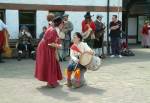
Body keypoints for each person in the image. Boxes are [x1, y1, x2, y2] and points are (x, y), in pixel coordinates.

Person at [35, 16, 64, 88]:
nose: (63, 26)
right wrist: (59, 46)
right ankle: (50, 82)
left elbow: (54, 41)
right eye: (62, 24)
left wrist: (57, 47)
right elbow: (50, 43)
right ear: (60, 24)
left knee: (53, 63)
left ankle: (53, 80)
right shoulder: (53, 30)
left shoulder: (53, 29)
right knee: (50, 64)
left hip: (46, 47)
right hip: (46, 48)